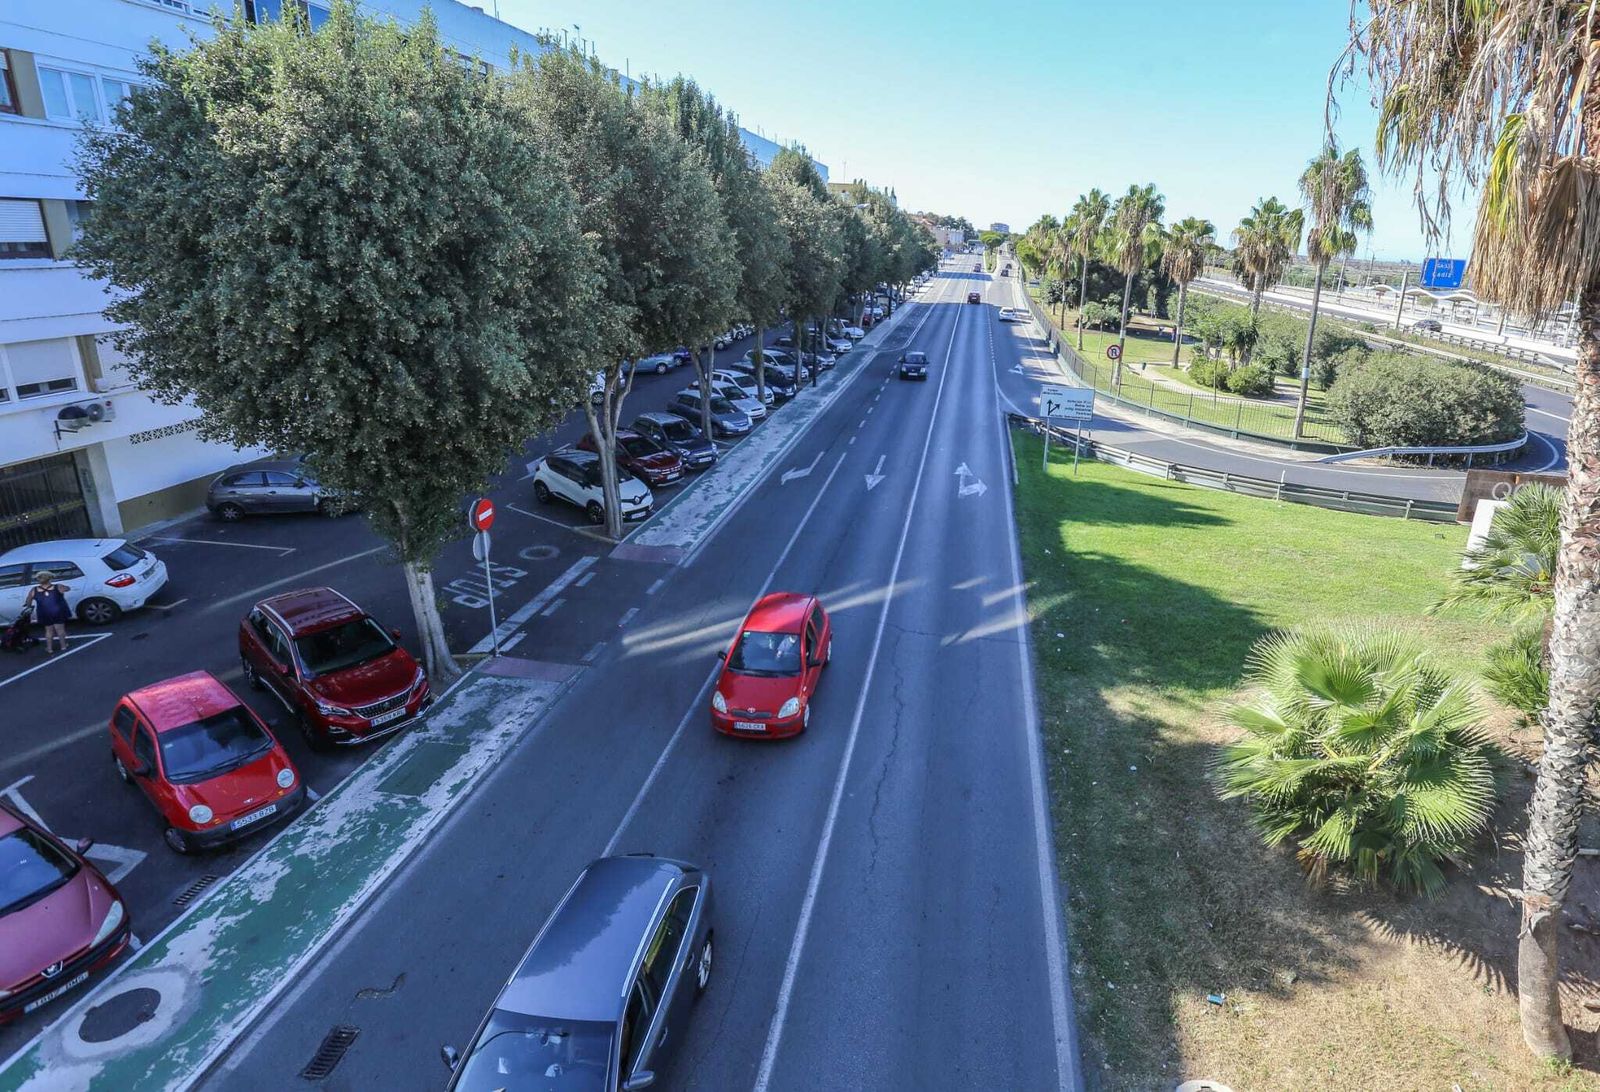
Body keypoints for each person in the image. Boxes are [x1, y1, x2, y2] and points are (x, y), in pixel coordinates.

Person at [22, 571, 71, 655]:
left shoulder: (34, 590)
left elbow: (28, 601)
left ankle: (49, 648)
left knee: (48, 630)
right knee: (60, 629)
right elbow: (67, 588)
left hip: (44, 612)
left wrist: (29, 606)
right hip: (58, 611)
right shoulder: (58, 587)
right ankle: (63, 646)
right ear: (50, 578)